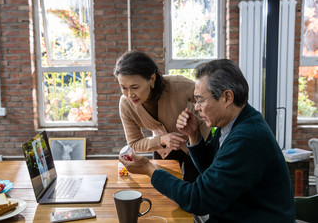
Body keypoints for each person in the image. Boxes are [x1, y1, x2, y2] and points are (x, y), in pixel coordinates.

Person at [119, 59, 296, 222]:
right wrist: (194, 136)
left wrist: (149, 169)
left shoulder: (247, 138)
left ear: (227, 97)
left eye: (200, 100)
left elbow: (198, 199)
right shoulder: (233, 123)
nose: (196, 107)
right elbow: (212, 168)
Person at [113, 50, 211, 182]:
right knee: (163, 187)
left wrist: (196, 116)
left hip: (198, 141)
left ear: (152, 79)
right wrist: (161, 140)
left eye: (134, 87)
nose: (130, 94)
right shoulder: (126, 105)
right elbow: (135, 143)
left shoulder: (179, 85)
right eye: (123, 87)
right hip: (164, 148)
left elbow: (211, 103)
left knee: (196, 186)